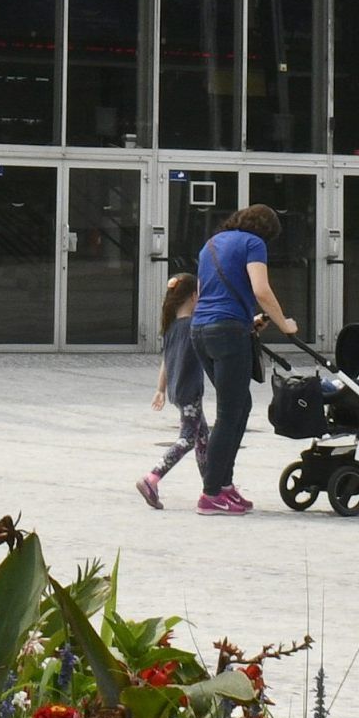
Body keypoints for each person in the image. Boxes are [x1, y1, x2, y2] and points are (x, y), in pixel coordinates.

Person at [187, 205, 300, 516]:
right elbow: (261, 290)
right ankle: (211, 493)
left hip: (200, 330)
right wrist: (283, 323)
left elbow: (204, 292)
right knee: (229, 411)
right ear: (266, 231)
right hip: (227, 332)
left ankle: (224, 485)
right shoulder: (254, 244)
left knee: (240, 405)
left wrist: (248, 320)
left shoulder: (210, 244)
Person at [134, 274, 203, 509]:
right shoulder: (193, 327)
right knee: (187, 439)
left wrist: (160, 389)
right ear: (194, 297)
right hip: (189, 390)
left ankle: (211, 487)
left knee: (203, 438)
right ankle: (152, 477)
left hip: (177, 389)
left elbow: (166, 360)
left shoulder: (172, 327)